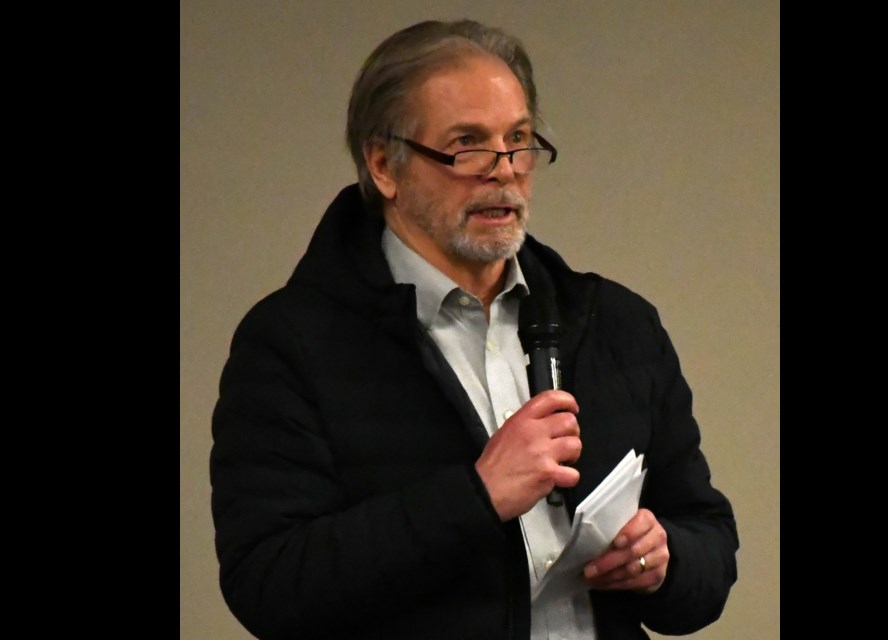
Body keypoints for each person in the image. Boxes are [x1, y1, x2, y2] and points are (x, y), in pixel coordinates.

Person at [211, 19, 738, 640]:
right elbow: (270, 585)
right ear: (384, 165)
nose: (505, 170)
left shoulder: (616, 324)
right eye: (468, 145)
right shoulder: (292, 344)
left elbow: (708, 543)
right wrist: (476, 497)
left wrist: (664, 559)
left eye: (518, 140)